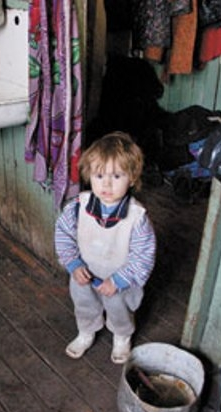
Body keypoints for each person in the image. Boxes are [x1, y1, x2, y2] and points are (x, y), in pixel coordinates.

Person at [54, 131, 157, 364]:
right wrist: (73, 264)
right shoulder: (78, 207)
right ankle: (86, 331)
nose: (107, 184)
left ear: (132, 178)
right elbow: (63, 235)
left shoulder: (137, 217)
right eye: (99, 175)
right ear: (89, 175)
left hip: (119, 279)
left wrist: (119, 280)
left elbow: (143, 256)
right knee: (84, 304)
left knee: (120, 310)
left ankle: (121, 337)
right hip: (85, 273)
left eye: (117, 176)